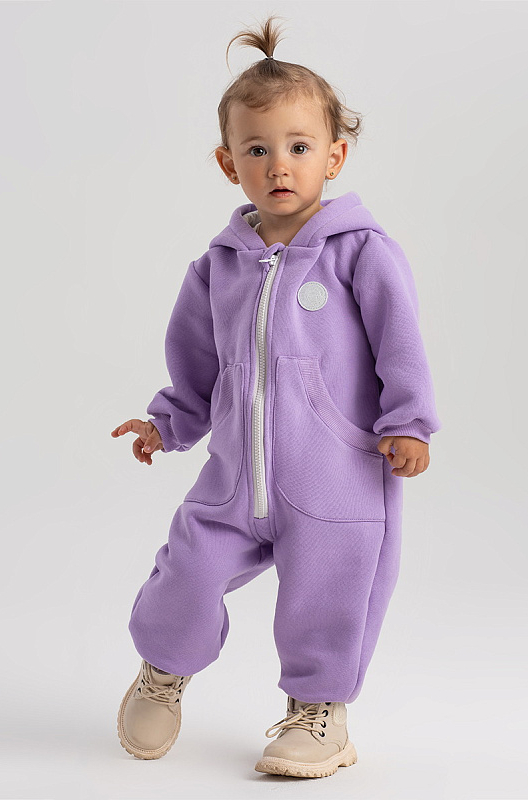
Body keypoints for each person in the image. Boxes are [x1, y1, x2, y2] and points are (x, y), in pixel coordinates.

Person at [112, 14, 442, 779]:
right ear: (229, 163)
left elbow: (401, 344)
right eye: (257, 150)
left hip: (335, 478)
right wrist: (168, 423)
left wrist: (409, 423)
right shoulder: (217, 267)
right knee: (185, 573)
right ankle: (163, 671)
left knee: (329, 597)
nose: (279, 165)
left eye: (298, 147)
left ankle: (318, 714)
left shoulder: (361, 252)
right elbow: (197, 363)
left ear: (335, 155)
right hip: (233, 479)